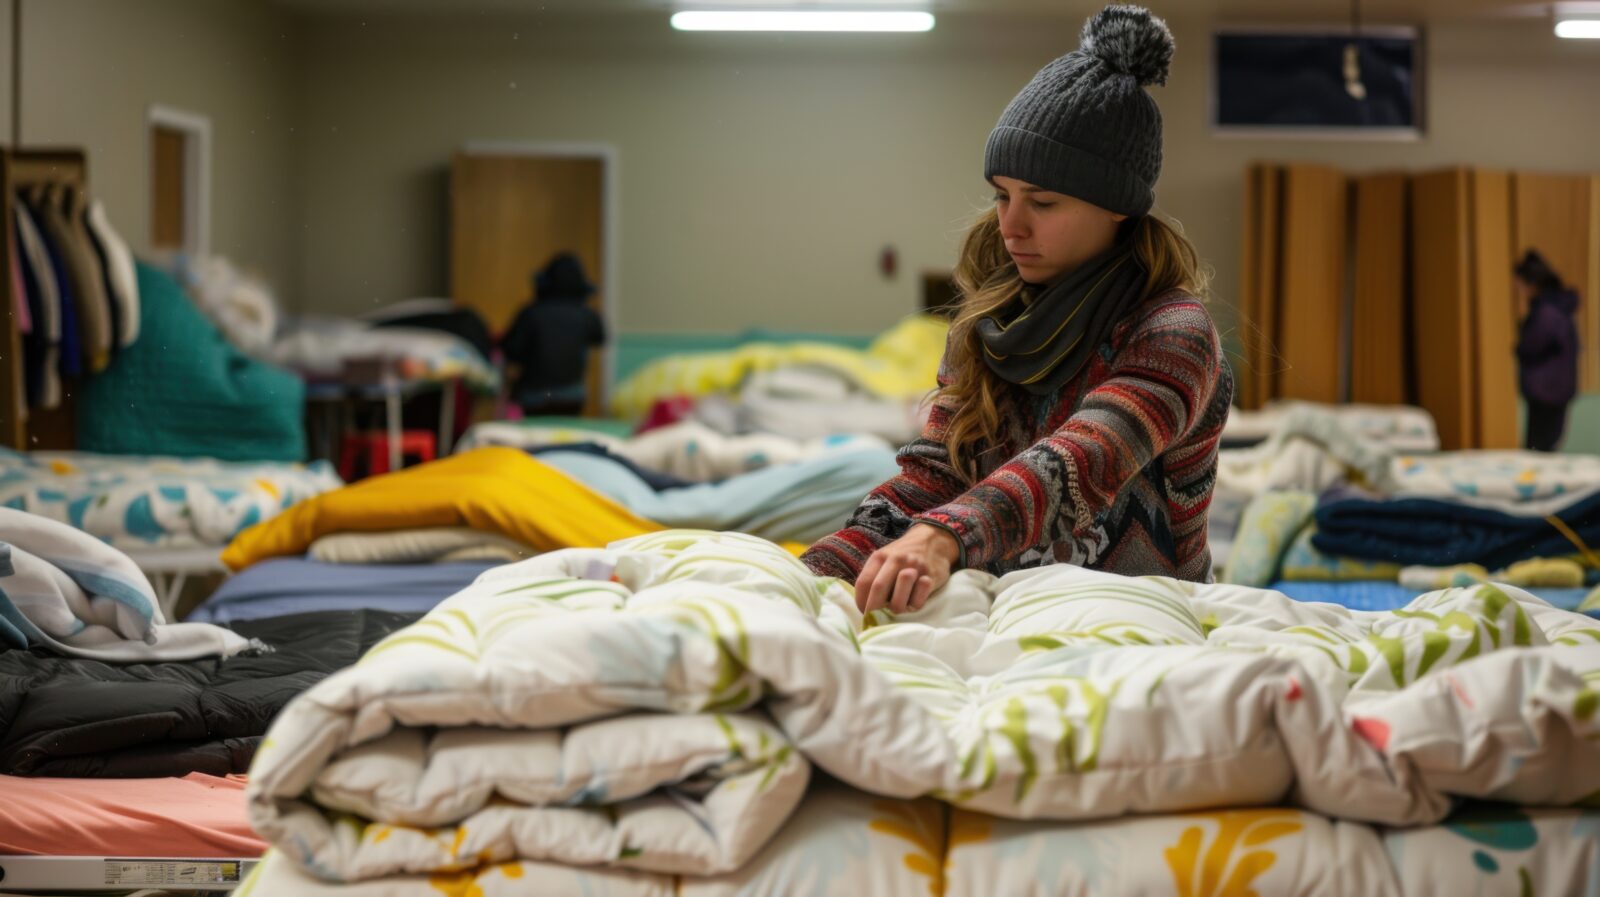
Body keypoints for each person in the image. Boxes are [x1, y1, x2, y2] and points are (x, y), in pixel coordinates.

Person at [802, 5, 1233, 615]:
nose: (1011, 225)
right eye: (1002, 196)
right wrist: (809, 577)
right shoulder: (986, 325)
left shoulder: (1174, 333)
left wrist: (941, 535)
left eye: (1044, 202)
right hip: (997, 614)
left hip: (1144, 623)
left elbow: (1083, 463)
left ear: (1118, 207)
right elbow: (934, 477)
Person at [501, 252, 607, 416]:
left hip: (534, 396)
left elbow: (511, 351)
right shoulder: (587, 315)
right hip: (573, 397)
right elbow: (600, 339)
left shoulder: (530, 313)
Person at [1513, 249, 1580, 452]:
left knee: (1538, 451)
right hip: (1553, 391)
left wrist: (1521, 339)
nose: (1517, 289)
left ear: (1532, 284)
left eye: (1520, 284)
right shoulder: (1554, 308)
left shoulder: (1547, 312)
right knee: (1544, 448)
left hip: (1547, 392)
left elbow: (1529, 346)